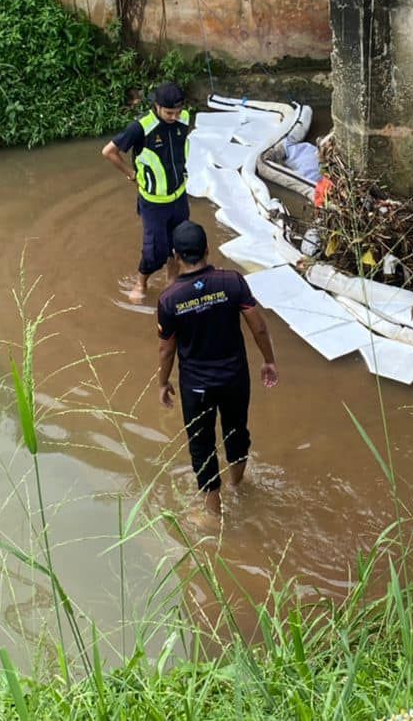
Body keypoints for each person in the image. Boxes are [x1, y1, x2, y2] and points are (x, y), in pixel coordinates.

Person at [156, 220, 278, 519]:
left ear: (176, 255)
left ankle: (213, 514)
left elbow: (167, 348)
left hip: (196, 386)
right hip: (235, 378)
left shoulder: (170, 300)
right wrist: (268, 360)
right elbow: (258, 326)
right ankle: (238, 486)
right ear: (208, 249)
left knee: (202, 445)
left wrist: (163, 382)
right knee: (237, 432)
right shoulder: (232, 282)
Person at [102, 82, 193, 303]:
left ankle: (172, 281)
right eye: (169, 112)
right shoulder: (141, 128)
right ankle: (141, 283)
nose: (174, 116)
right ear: (156, 106)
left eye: (178, 111)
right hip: (153, 202)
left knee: (179, 242)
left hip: (179, 196)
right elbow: (109, 152)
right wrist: (132, 175)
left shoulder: (185, 119)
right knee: (155, 251)